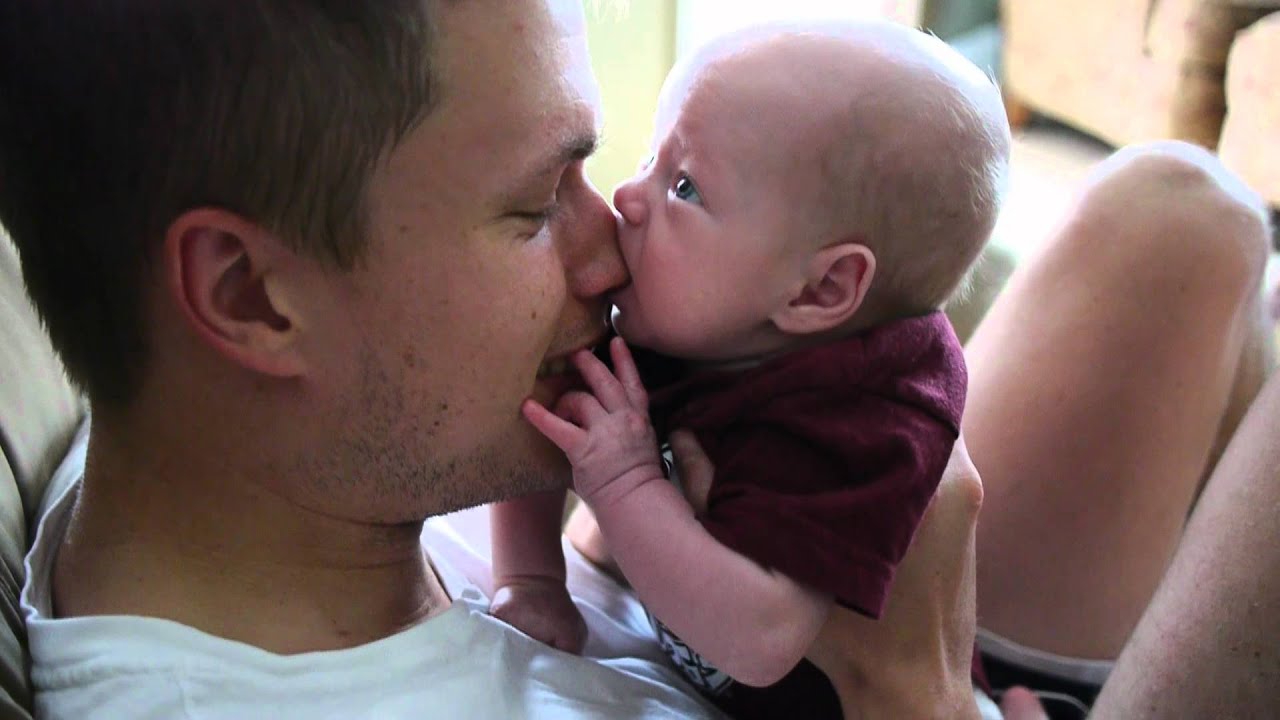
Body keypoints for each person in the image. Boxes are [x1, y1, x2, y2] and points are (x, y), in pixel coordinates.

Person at [0, 1, 1274, 719]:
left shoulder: (221, 446)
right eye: (530, 205)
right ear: (249, 296)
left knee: (1183, 208)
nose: (607, 245)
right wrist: (923, 690)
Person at [490, 21, 1009, 719]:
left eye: (684, 188)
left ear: (820, 289)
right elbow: (553, 413)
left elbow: (761, 640)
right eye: (650, 156)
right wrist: (531, 579)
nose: (630, 198)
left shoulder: (865, 423)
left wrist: (622, 480)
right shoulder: (681, 310)